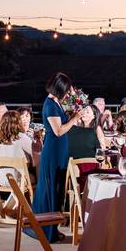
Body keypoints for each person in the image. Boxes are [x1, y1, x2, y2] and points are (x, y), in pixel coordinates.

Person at [30, 73, 87, 241]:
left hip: (59, 150)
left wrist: (71, 116)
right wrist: (75, 118)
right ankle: (46, 230)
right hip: (53, 151)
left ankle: (52, 228)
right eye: (67, 90)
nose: (68, 93)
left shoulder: (56, 103)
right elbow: (58, 130)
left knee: (58, 189)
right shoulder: (50, 105)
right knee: (51, 188)